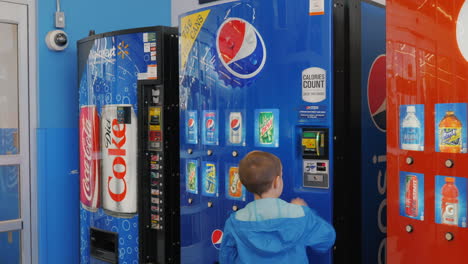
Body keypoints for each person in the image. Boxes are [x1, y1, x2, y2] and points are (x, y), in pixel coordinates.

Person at [220, 151, 336, 263]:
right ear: (277, 182)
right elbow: (326, 240)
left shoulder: (234, 222)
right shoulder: (300, 215)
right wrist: (305, 209)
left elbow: (226, 257)